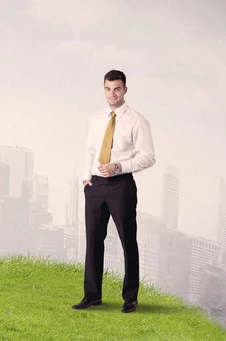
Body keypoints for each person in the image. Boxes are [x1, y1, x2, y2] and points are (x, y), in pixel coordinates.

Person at [72, 69, 156, 313]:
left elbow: (148, 157)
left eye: (117, 89)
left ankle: (130, 298)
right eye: (108, 89)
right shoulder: (97, 118)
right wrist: (86, 179)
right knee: (93, 241)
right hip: (95, 187)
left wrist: (119, 166)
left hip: (121, 187)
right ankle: (92, 296)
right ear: (104, 89)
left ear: (125, 90)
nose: (112, 94)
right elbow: (89, 148)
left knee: (128, 242)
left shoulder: (137, 120)